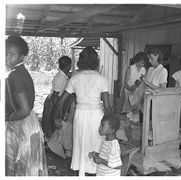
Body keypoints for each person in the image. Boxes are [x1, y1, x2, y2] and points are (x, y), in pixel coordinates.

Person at [53, 46, 111, 176]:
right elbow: (107, 105)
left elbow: (61, 101)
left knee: (81, 142)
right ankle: (95, 170)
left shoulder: (75, 78)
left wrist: (56, 118)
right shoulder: (102, 79)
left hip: (80, 115)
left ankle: (82, 169)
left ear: (81, 61)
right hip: (96, 115)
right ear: (96, 62)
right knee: (96, 142)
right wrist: (112, 123)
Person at [5, 35, 48, 176]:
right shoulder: (21, 72)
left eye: (11, 54)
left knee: (19, 167)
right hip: (29, 122)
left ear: (22, 56)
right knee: (27, 168)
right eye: (5, 53)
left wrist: (6, 119)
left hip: (21, 123)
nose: (6, 57)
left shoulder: (14, 76)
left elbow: (23, 110)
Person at [41, 56, 72, 141]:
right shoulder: (60, 78)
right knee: (50, 122)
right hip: (53, 101)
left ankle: (50, 140)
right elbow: (56, 96)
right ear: (69, 66)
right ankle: (48, 140)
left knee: (52, 122)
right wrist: (56, 112)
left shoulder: (63, 76)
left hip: (56, 99)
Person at [117, 52, 147, 120]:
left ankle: (132, 121)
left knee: (135, 109)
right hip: (127, 90)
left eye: (144, 63)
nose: (143, 64)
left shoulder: (143, 70)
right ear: (137, 60)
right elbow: (124, 83)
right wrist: (130, 88)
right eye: (141, 62)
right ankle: (118, 119)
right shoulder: (130, 69)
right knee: (122, 107)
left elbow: (143, 82)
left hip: (136, 92)